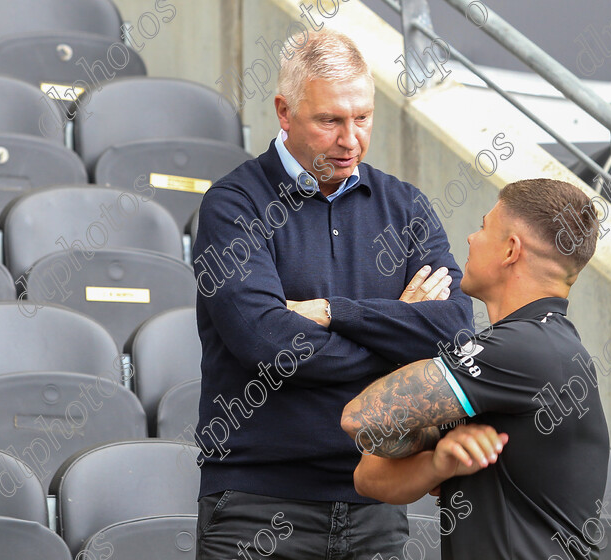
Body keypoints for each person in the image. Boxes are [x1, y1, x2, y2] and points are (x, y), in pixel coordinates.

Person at [192, 29, 474, 559]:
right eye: (330, 121)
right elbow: (269, 345)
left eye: (363, 117)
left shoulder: (405, 206)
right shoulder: (234, 206)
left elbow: (455, 332)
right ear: (284, 111)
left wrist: (332, 312)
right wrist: (397, 329)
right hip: (257, 505)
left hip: (378, 503)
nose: (351, 140)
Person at [342, 178, 611, 560]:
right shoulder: (523, 351)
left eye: (484, 227)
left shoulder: (525, 351)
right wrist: (438, 462)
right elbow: (369, 478)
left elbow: (360, 417)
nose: (470, 238)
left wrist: (400, 323)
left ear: (510, 250)